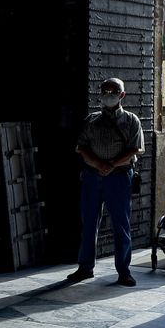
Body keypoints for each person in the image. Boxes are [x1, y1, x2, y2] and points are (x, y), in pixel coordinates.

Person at [69, 77, 143, 287]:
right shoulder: (91, 120)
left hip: (119, 177)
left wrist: (111, 165)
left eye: (114, 90)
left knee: (121, 225)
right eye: (105, 90)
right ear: (100, 94)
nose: (109, 94)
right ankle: (85, 267)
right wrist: (97, 164)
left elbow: (134, 148)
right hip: (93, 177)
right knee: (89, 223)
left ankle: (124, 271)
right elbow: (81, 146)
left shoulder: (131, 121)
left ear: (122, 95)